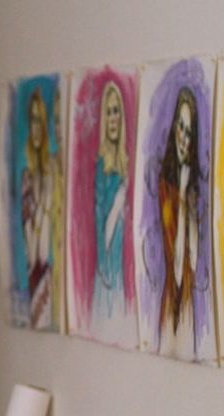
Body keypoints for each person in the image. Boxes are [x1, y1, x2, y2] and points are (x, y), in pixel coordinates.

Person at [157, 87, 201, 355]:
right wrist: (182, 197)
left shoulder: (191, 191)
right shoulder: (166, 189)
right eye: (180, 128)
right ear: (174, 129)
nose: (184, 138)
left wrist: (187, 201)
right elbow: (175, 269)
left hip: (187, 305)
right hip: (171, 303)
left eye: (189, 131)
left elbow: (193, 262)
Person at [92, 80, 129, 319]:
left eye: (116, 111)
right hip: (107, 279)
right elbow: (101, 228)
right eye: (109, 112)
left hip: (122, 276)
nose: (113, 118)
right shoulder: (101, 170)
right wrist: (117, 204)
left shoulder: (128, 167)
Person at [21, 87, 54, 329]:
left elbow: (45, 250)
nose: (35, 128)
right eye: (31, 121)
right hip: (35, 275)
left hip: (48, 276)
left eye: (39, 121)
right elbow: (32, 248)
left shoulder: (53, 174)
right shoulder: (26, 181)